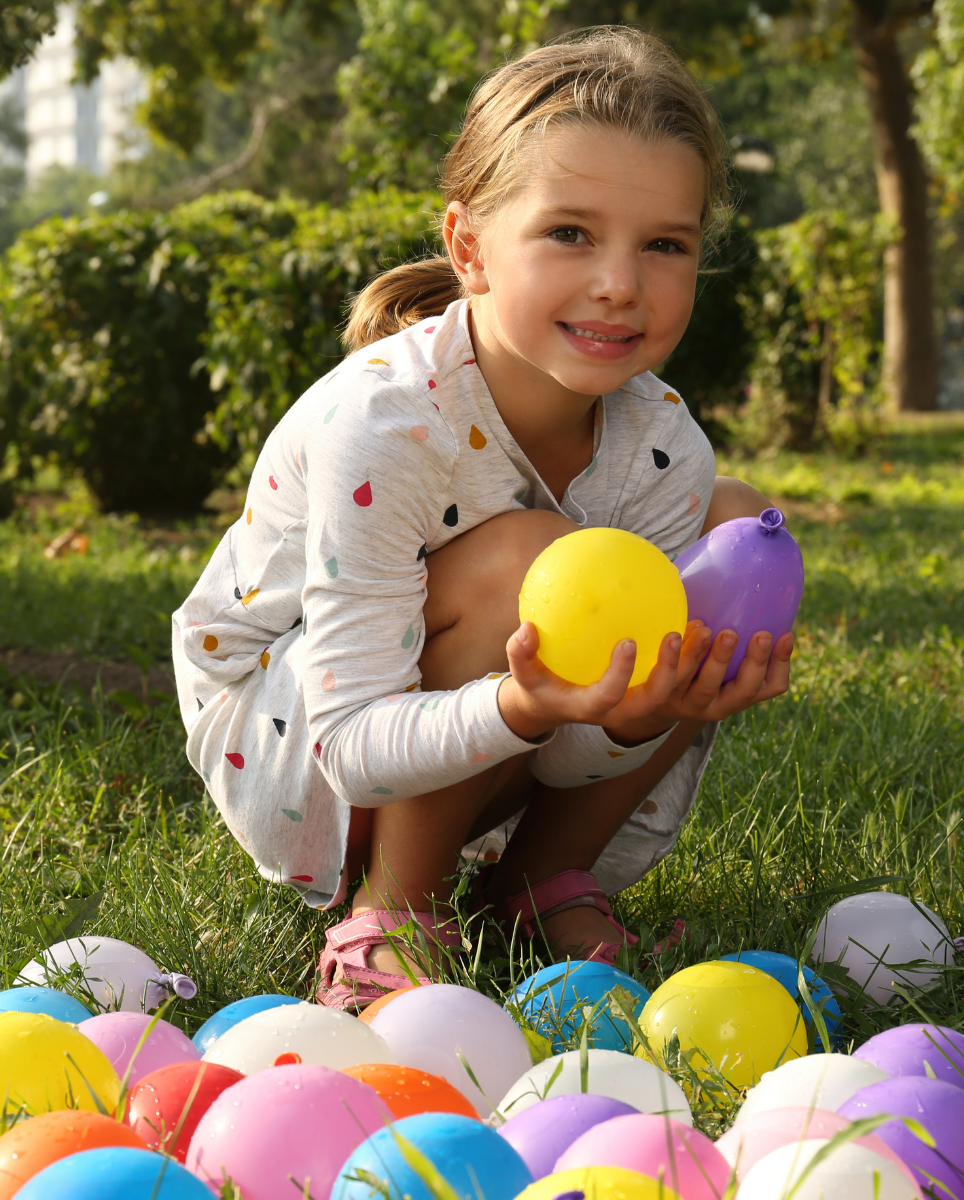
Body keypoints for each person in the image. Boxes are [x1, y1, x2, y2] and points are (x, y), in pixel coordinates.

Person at [171, 26, 794, 1011]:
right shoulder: (385, 425)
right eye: (570, 233)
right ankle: (393, 911)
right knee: (532, 562)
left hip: (488, 729)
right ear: (469, 249)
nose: (619, 284)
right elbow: (353, 741)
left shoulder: (665, 450)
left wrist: (654, 702)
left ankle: (534, 890)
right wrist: (523, 705)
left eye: (664, 245)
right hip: (297, 732)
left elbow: (589, 728)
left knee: (729, 539)